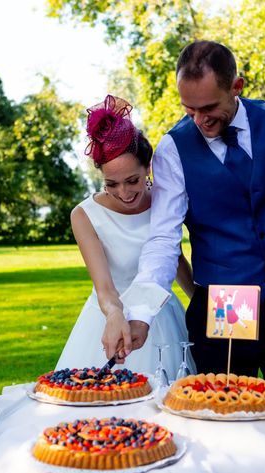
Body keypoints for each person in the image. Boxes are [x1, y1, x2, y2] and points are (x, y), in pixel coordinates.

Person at [122, 40, 265, 381]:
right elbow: (163, 239)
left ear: (237, 87)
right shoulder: (172, 150)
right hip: (224, 306)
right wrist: (141, 314)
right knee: (228, 417)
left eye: (208, 108)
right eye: (189, 110)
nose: (199, 120)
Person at [55, 95, 196, 376]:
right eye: (111, 184)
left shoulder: (164, 201)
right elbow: (104, 288)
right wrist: (115, 313)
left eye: (132, 180)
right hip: (108, 316)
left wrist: (199, 301)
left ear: (148, 167)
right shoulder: (84, 215)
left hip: (161, 315)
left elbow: (175, 260)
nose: (124, 193)